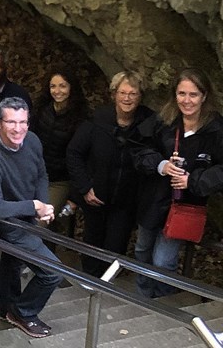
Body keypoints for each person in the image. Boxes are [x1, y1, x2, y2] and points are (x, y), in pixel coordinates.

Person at [0, 97, 63, 338]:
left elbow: (41, 175)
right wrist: (33, 207)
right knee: (53, 271)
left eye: (23, 122)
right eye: (11, 122)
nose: (18, 128)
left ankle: (7, 308)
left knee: (13, 262)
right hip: (6, 222)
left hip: (26, 214)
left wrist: (44, 205)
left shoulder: (31, 140)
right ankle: (23, 311)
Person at [133, 67, 223, 298]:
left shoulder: (216, 130)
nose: (187, 100)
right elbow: (137, 147)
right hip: (153, 198)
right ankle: (141, 296)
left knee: (163, 260)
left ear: (204, 96)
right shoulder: (164, 121)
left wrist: (192, 180)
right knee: (142, 249)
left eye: (193, 95)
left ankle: (163, 301)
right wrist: (160, 165)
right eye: (182, 94)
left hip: (186, 204)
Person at [67, 71, 154, 277]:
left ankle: (107, 287)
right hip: (96, 196)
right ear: (114, 94)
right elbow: (74, 153)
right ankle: (88, 283)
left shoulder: (149, 123)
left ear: (140, 96)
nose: (127, 98)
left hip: (126, 200)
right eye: (122, 92)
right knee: (92, 243)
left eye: (133, 93)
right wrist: (85, 187)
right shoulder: (97, 121)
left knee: (115, 246)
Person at [30, 68, 89, 235]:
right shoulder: (41, 110)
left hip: (60, 181)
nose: (57, 91)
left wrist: (75, 196)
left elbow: (82, 158)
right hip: (35, 174)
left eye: (62, 86)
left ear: (71, 87)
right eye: (53, 86)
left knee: (39, 223)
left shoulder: (81, 118)